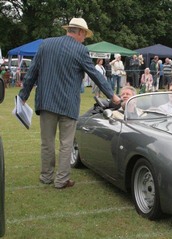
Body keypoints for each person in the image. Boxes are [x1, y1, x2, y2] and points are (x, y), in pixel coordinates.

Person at [18, 17, 121, 189]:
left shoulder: (46, 44)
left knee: (47, 142)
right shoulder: (81, 50)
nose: (84, 39)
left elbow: (32, 72)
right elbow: (96, 75)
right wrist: (112, 95)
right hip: (68, 104)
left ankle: (46, 176)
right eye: (84, 35)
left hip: (46, 102)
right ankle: (61, 180)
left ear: (69, 29)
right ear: (80, 32)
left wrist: (23, 94)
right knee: (66, 144)